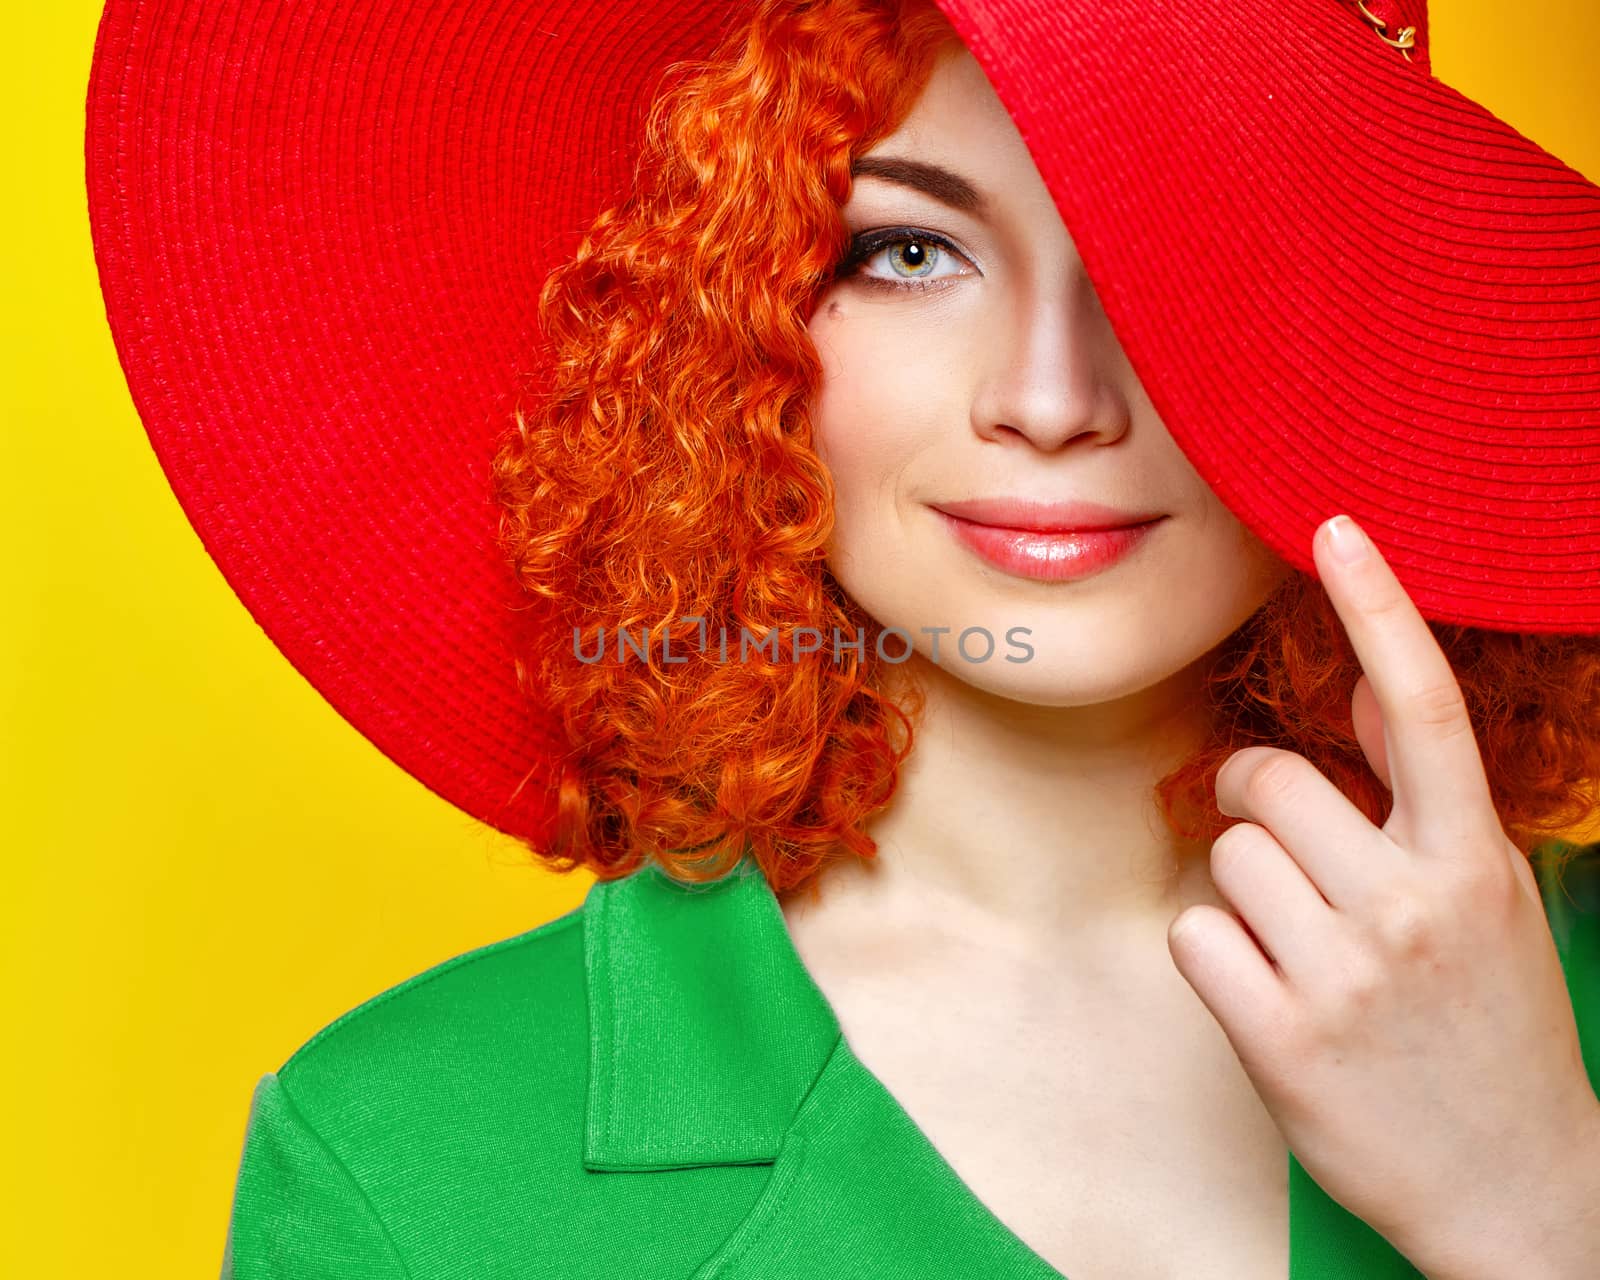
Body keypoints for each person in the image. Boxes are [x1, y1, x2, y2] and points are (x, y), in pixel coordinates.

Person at [82, 0, 1600, 1276]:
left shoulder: (1566, 999)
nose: (1053, 397)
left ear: (1373, 312)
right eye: (909, 254)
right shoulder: (408, 1160)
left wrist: (1541, 1207)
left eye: (1181, 239)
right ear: (731, 331)